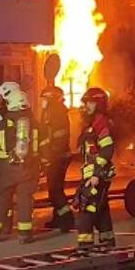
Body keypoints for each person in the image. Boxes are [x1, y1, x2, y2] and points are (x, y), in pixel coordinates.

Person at [0, 82, 39, 244]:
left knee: (2, 199)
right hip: (28, 168)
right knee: (25, 200)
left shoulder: (1, 125)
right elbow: (43, 146)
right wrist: (44, 163)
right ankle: (24, 234)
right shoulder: (35, 124)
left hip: (5, 169)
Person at [75, 87, 116, 252]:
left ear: (98, 103)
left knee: (86, 208)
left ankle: (85, 246)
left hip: (97, 175)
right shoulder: (93, 123)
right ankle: (108, 242)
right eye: (86, 103)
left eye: (90, 103)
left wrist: (97, 174)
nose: (86, 106)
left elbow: (107, 149)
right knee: (101, 209)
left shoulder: (101, 123)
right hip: (93, 174)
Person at [38, 85, 73, 232]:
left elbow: (57, 138)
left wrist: (50, 155)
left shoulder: (56, 113)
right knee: (55, 189)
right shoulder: (51, 112)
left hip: (58, 157)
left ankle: (67, 219)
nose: (42, 102)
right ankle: (58, 219)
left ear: (51, 99)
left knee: (55, 191)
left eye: (45, 99)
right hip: (55, 156)